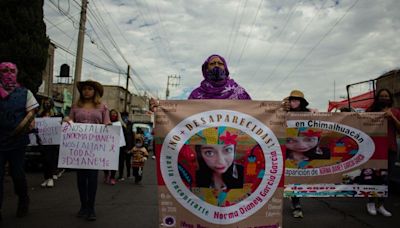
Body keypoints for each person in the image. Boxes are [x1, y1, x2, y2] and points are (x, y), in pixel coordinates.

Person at [64, 80, 111, 221]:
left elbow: (107, 124)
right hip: (79, 149)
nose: (87, 91)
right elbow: (70, 123)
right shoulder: (75, 107)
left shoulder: (103, 108)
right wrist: (67, 121)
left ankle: (91, 208)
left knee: (92, 178)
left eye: (90, 89)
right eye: (84, 89)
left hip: (95, 149)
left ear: (95, 91)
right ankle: (83, 206)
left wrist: (109, 128)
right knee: (80, 179)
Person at [0, 62, 39, 220]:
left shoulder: (25, 92)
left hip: (18, 141)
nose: (8, 73)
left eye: (12, 70)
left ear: (16, 73)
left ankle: (23, 200)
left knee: (17, 174)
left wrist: (29, 123)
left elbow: (31, 112)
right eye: (4, 70)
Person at [364, 88, 400, 217]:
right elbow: (363, 127)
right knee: (374, 177)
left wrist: (392, 117)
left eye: (386, 96)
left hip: (390, 149)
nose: (384, 98)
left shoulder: (396, 111)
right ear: (377, 98)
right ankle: (371, 203)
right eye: (382, 96)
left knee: (386, 179)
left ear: (390, 98)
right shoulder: (371, 111)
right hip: (374, 150)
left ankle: (381, 204)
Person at [286, 89, 312, 218]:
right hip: (287, 149)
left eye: (296, 100)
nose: (294, 102)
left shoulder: (308, 114)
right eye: (292, 100)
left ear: (301, 102)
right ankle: (293, 203)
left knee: (296, 178)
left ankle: (296, 204)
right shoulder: (284, 113)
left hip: (302, 149)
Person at [37, 97, 62, 188]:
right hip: (43, 141)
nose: (47, 104)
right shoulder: (40, 115)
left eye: (48, 102)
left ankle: (51, 178)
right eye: (45, 103)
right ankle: (46, 178)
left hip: (53, 142)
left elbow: (61, 125)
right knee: (44, 160)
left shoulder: (56, 114)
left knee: (50, 159)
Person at [118, 111, 133, 181]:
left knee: (128, 161)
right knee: (121, 162)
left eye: (126, 116)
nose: (124, 118)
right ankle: (120, 175)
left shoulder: (131, 124)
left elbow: (132, 135)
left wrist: (132, 146)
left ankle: (128, 174)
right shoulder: (119, 124)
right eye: (123, 116)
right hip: (121, 146)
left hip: (129, 146)